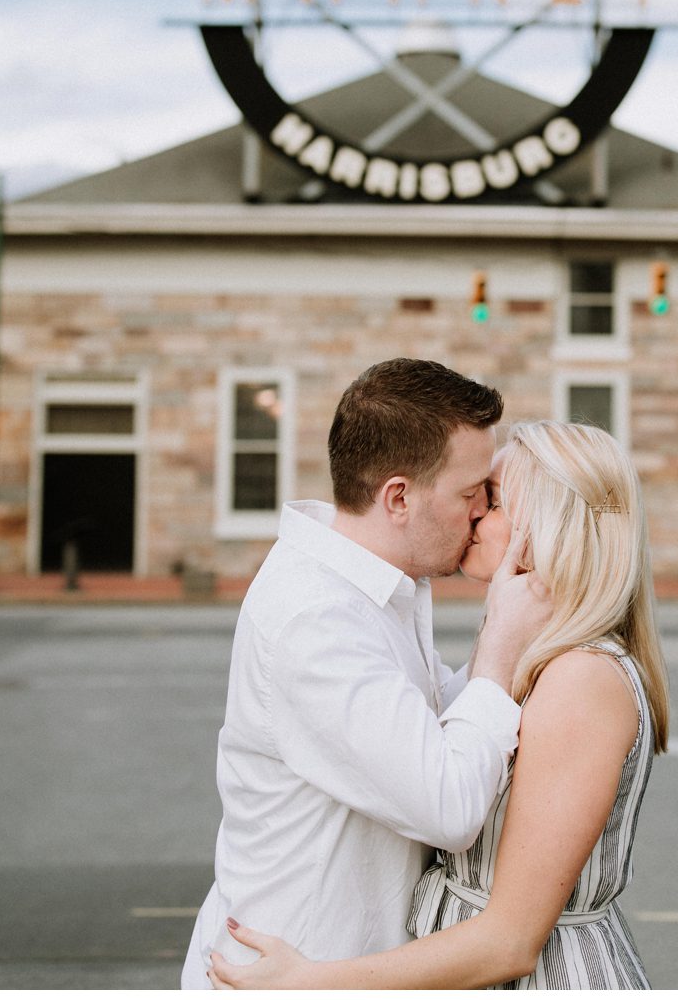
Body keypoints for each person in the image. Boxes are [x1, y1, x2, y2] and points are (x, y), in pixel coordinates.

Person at [209, 420, 671, 990]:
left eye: (492, 500)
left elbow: (509, 942)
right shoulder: (534, 655)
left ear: (551, 528)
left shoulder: (581, 678)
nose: (474, 513)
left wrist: (313, 982)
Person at [180, 359, 555, 990]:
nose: (482, 512)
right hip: (294, 969)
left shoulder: (374, 584)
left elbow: (435, 724)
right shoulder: (318, 618)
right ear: (398, 498)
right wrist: (498, 646)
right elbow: (449, 805)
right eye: (471, 493)